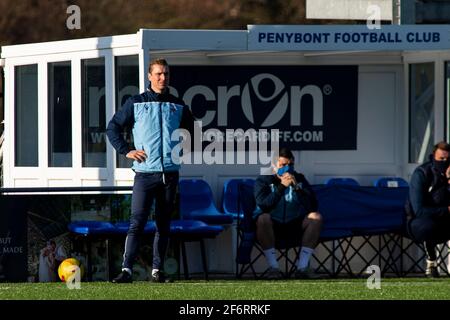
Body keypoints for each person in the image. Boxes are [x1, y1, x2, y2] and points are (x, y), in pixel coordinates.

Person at [106, 58, 194, 283]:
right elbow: (113, 127)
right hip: (145, 174)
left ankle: (157, 271)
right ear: (149, 76)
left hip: (170, 174)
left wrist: (180, 149)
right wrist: (126, 150)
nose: (163, 78)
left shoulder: (178, 105)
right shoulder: (136, 102)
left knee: (164, 225)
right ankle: (126, 270)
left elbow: (193, 130)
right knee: (137, 223)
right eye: (158, 74)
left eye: (166, 74)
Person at [253, 147, 323, 279]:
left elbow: (312, 206)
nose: (288, 168)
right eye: (283, 165)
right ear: (274, 165)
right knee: (263, 218)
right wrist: (281, 187)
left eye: (290, 164)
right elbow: (263, 205)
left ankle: (302, 268)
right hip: (272, 227)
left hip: (294, 225)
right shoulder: (263, 180)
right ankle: (273, 268)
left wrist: (296, 187)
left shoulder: (299, 178)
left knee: (316, 217)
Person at [407, 141, 450, 278]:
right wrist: (447, 210)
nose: (444, 162)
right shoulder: (422, 173)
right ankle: (431, 263)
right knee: (428, 225)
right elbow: (418, 210)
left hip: (445, 219)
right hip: (419, 221)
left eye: (448, 159)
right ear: (433, 156)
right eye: (441, 159)